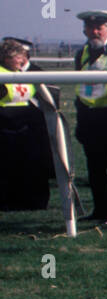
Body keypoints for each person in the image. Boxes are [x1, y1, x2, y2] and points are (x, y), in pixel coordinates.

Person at [72, 10, 107, 223]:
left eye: (99, 28)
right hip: (89, 118)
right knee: (94, 167)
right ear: (85, 30)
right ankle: (101, 210)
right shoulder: (82, 53)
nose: (95, 31)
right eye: (91, 28)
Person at [0, 38, 52, 210]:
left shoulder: (24, 74)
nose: (22, 61)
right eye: (18, 58)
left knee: (27, 166)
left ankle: (30, 201)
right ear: (7, 58)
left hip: (25, 126)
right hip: (5, 126)